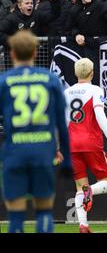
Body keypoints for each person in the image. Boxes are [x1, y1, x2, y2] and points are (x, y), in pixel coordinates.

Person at [0, 30, 71, 233]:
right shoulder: (50, 80)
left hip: (15, 152)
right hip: (43, 151)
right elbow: (61, 123)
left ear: (12, 53)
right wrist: (67, 160)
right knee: (44, 211)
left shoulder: (4, 81)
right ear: (34, 52)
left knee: (15, 214)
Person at [64, 58, 107, 233]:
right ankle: (90, 192)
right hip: (91, 142)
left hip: (72, 144)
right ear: (92, 73)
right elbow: (100, 114)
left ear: (75, 73)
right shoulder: (95, 90)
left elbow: (64, 121)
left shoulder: (67, 92)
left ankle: (83, 225)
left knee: (80, 186)